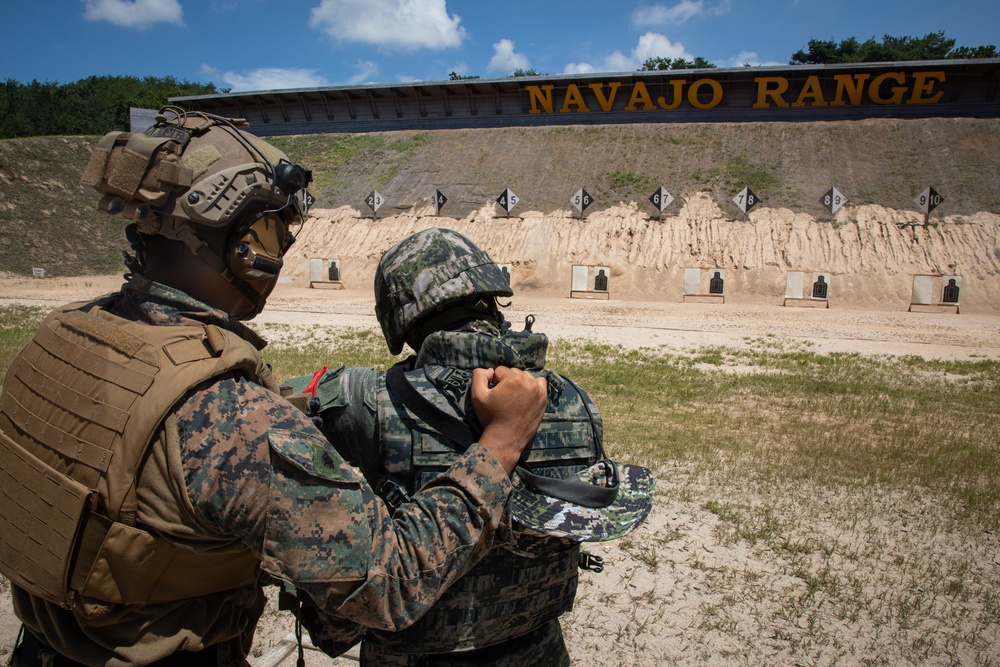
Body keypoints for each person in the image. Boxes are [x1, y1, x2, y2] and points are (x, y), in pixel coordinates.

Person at [0, 110, 548, 667]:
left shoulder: (58, 337)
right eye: (277, 228)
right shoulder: (229, 417)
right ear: (245, 240)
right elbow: (389, 582)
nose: (281, 247)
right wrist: (501, 443)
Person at [283, 227, 654, 666]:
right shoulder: (569, 397)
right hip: (538, 649)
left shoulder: (363, 398)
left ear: (402, 315)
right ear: (490, 297)